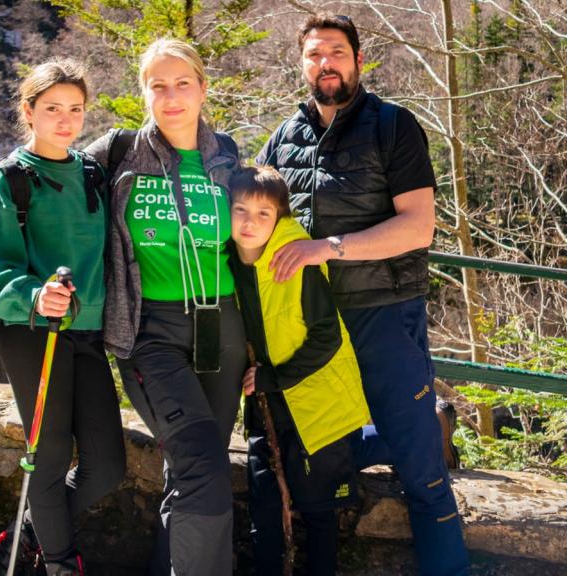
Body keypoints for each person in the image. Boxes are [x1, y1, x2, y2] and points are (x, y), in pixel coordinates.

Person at [0, 39, 246, 576]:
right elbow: (32, 167)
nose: (171, 96)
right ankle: (60, 559)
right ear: (142, 93)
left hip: (201, 329)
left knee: (157, 467)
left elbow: (256, 236)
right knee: (195, 463)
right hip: (134, 330)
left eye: (182, 83)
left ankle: (24, 536)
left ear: (203, 88)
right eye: (157, 85)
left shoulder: (227, 156)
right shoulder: (117, 155)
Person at [257, 14, 470, 575]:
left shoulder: (393, 126)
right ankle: (438, 421)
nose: (325, 63)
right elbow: (247, 217)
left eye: (336, 51)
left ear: (357, 60)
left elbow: (417, 227)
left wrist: (326, 247)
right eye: (314, 54)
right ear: (301, 64)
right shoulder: (283, 139)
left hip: (384, 317)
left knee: (421, 472)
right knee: (325, 449)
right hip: (317, 327)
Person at [0, 58, 126, 576]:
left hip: (85, 332)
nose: (65, 119)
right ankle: (61, 564)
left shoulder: (92, 172)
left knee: (106, 466)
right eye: (52, 108)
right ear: (29, 112)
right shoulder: (11, 180)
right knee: (52, 453)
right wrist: (35, 296)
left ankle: (17, 537)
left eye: (76, 109)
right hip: (32, 331)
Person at [227, 166, 370, 575]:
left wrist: (273, 379)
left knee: (319, 510)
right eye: (240, 210)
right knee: (265, 511)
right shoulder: (224, 262)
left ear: (280, 218)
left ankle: (424, 431)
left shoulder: (298, 263)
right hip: (265, 410)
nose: (250, 222)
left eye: (263, 214)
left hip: (314, 401)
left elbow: (327, 337)